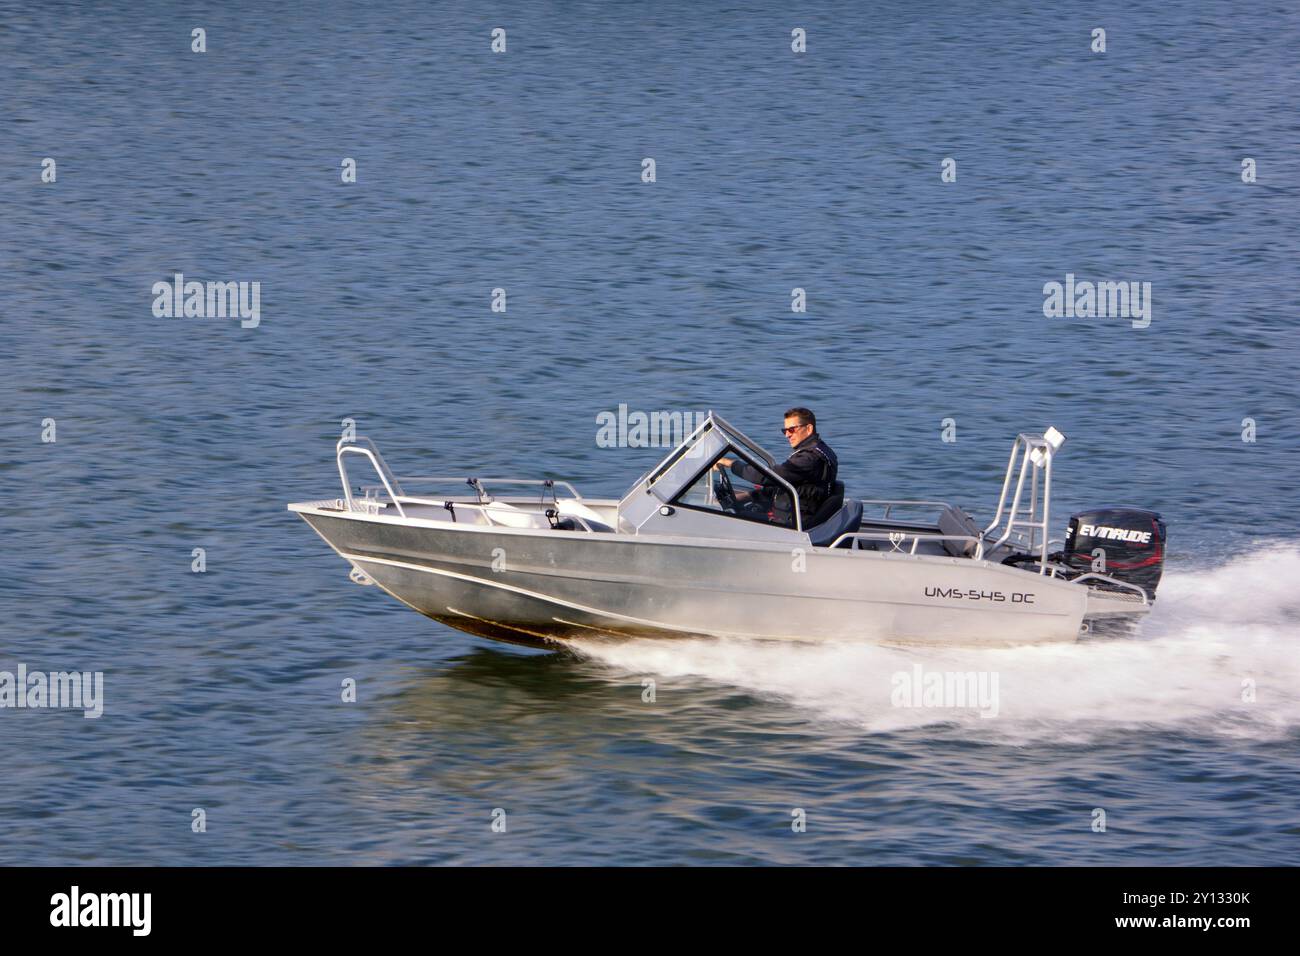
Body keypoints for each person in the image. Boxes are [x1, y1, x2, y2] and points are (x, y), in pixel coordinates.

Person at [718, 407, 838, 528]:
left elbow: (767, 477)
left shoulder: (809, 459)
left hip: (792, 525)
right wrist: (748, 496)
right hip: (790, 516)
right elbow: (785, 484)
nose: (787, 435)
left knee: (730, 518)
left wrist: (730, 464)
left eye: (791, 430)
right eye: (784, 431)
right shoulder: (816, 451)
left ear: (808, 429)